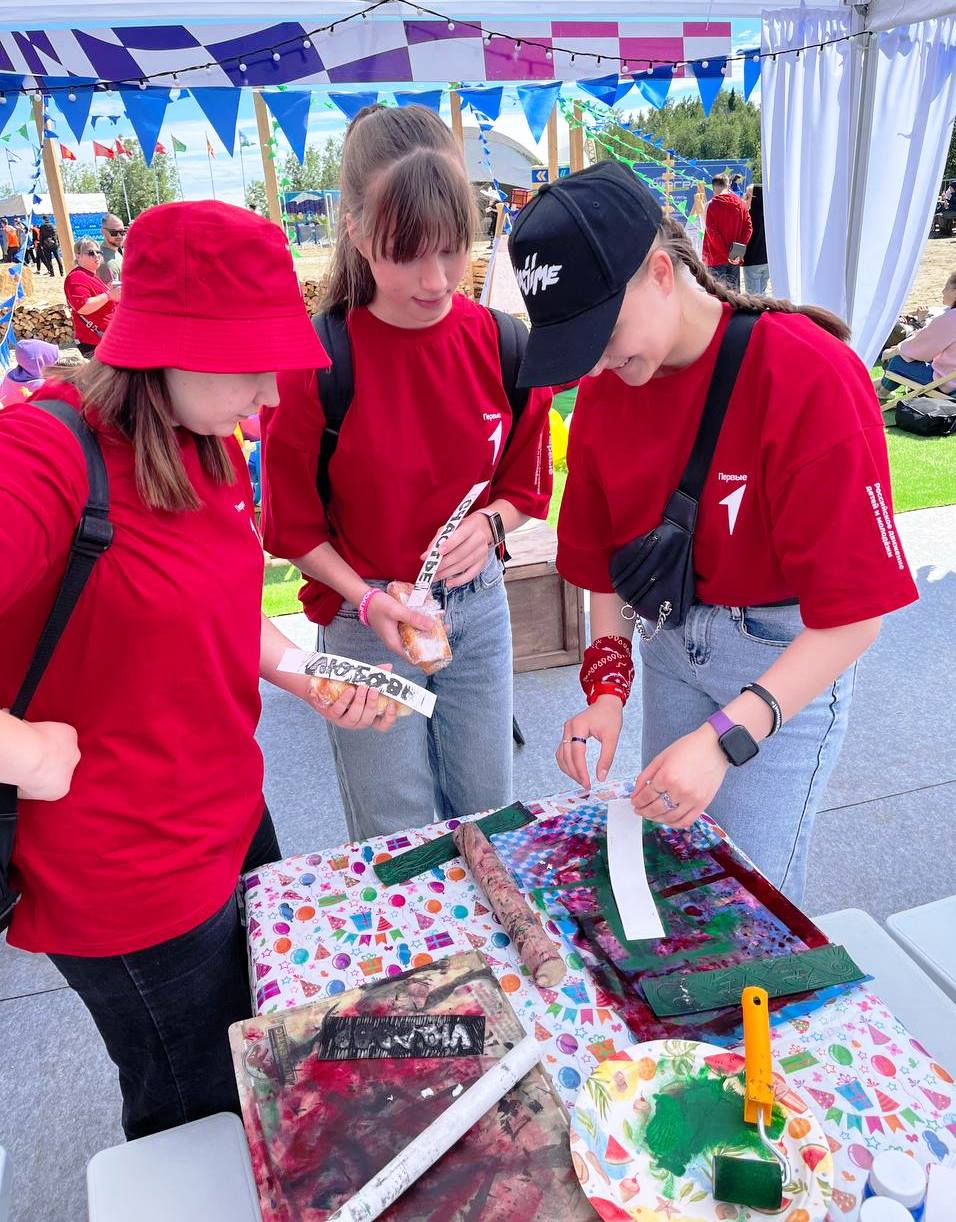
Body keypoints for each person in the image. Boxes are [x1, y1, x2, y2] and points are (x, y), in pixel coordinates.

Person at [0, 199, 383, 1142]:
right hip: (128, 877)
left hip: (229, 817)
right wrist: (20, 752)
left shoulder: (199, 439)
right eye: (254, 364)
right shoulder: (44, 454)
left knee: (272, 1061)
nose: (274, 395)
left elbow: (210, 608)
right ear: (170, 346)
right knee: (200, 1114)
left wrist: (300, 673)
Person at [508, 161, 918, 903]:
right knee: (672, 879)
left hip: (781, 655)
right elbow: (603, 570)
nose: (595, 364)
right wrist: (607, 692)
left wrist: (726, 738)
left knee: (749, 902)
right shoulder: (606, 393)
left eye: (603, 333)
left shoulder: (807, 373)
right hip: (670, 641)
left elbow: (855, 617)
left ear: (662, 273)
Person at [261, 104, 553, 842]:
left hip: (478, 610)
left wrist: (492, 525)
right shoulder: (317, 366)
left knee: (491, 816)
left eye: (452, 249)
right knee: (398, 835)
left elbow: (526, 489)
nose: (435, 279)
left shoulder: (506, 346)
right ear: (357, 234)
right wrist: (365, 599)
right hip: (363, 621)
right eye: (406, 254)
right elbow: (290, 528)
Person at [879, 270, 956, 398]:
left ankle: (882, 393)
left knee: (897, 360)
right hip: (950, 379)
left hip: (947, 385)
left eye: (946, 288)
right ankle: (881, 387)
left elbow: (921, 347)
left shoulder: (951, 318)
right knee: (904, 354)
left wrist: (893, 352)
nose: (943, 291)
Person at [64, 237, 119, 357]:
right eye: (90, 253)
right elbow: (82, 307)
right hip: (94, 342)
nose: (96, 256)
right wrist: (109, 295)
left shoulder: (90, 275)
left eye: (98, 252)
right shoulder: (77, 277)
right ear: (78, 256)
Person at [704, 173, 752, 290]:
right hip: (734, 257)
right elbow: (748, 228)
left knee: (717, 296)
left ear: (713, 187)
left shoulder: (712, 205)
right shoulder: (741, 204)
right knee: (734, 295)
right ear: (728, 185)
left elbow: (712, 232)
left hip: (716, 258)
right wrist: (736, 252)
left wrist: (726, 253)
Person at [0, 339, 59, 407]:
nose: (56, 365)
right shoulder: (44, 387)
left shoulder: (8, 376)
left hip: (10, 411)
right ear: (40, 361)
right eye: (54, 362)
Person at [742, 184, 769, 296]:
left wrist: (735, 256)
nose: (744, 199)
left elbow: (742, 237)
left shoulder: (748, 216)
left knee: (753, 297)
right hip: (767, 260)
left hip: (752, 261)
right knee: (762, 293)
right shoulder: (770, 215)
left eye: (747, 197)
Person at [96, 213, 125, 286]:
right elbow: (113, 292)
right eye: (114, 232)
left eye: (122, 232)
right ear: (103, 232)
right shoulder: (104, 261)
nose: (119, 236)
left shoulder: (116, 252)